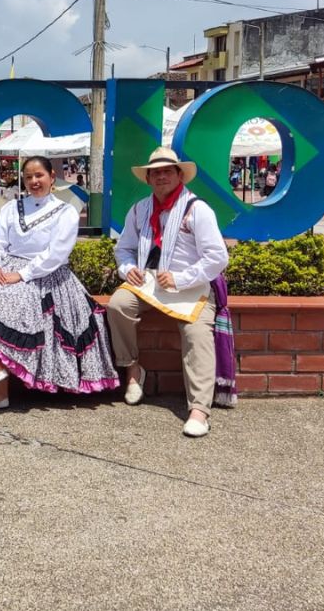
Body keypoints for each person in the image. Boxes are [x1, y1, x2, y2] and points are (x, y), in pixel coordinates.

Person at [0, 156, 119, 411]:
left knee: (14, 300)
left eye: (39, 175)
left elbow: (56, 253)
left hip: (45, 274)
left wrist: (23, 275)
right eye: (28, 176)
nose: (34, 181)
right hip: (8, 268)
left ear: (52, 177)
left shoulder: (66, 212)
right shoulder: (11, 208)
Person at [105, 147, 229, 438]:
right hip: (150, 284)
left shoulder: (198, 209)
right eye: (155, 172)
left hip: (192, 287)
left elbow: (217, 257)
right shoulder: (140, 208)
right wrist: (127, 269)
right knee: (118, 304)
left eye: (167, 171)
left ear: (179, 175)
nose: (161, 176)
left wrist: (181, 278)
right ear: (148, 179)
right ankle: (133, 369)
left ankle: (199, 409)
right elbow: (123, 249)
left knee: (196, 334)